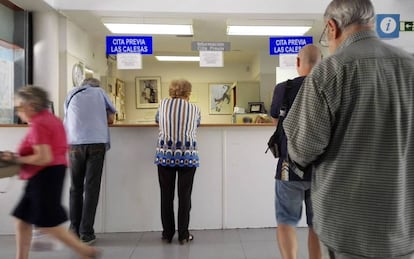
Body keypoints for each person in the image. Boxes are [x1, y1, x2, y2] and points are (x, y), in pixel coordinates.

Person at [283, 0, 414, 258]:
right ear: (372, 22)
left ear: (332, 27)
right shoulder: (410, 65)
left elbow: (302, 149)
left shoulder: (329, 72)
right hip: (404, 225)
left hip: (349, 228)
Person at [1, 85, 100, 259]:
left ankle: (85, 251)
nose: (18, 112)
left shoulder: (39, 124)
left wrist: (16, 160)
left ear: (30, 106)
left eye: (18, 107)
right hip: (47, 173)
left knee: (47, 223)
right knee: (22, 220)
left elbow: (43, 157)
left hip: (44, 176)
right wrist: (17, 156)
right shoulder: (51, 119)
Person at [270, 44, 322, 259]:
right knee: (317, 226)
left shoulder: (284, 88)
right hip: (322, 169)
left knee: (286, 222)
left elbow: (277, 121)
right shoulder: (330, 87)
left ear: (298, 62)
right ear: (322, 63)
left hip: (288, 167)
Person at [64, 77, 116, 244]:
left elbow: (67, 116)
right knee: (91, 189)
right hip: (96, 144)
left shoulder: (71, 93)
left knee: (75, 188)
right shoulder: (100, 93)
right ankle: (86, 233)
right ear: (96, 86)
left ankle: (73, 230)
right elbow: (111, 118)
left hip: (74, 144)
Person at [154, 79, 201, 244]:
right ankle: (183, 235)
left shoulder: (162, 104)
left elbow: (157, 121)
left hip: (165, 155)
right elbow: (197, 125)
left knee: (166, 196)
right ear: (188, 92)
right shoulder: (195, 108)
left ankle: (167, 234)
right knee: (185, 196)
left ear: (171, 90)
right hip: (188, 156)